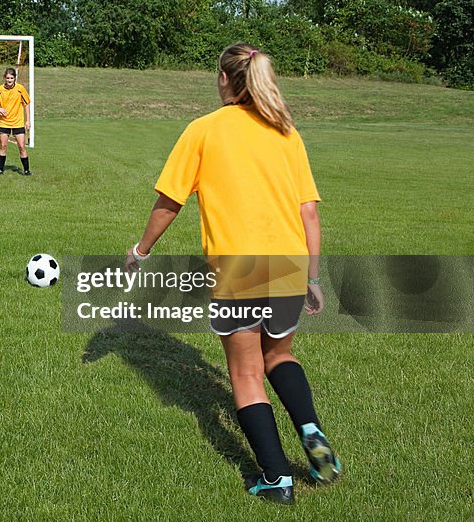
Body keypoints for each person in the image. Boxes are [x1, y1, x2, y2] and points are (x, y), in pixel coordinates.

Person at [125, 44, 341, 505]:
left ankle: (276, 478)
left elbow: (170, 202)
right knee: (279, 355)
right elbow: (310, 214)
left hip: (238, 266)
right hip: (287, 263)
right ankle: (310, 430)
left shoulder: (204, 130)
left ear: (225, 78)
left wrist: (141, 250)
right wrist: (314, 277)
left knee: (245, 373)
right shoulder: (285, 132)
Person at [0, 67, 32, 175]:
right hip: (4, 122)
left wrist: (28, 120)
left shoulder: (20, 89)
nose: (9, 80)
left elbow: (26, 104)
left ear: (15, 78)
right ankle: (0, 169)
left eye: (11, 78)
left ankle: (27, 170)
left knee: (22, 146)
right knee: (3, 146)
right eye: (8, 78)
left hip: (18, 122)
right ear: (5, 78)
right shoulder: (0, 89)